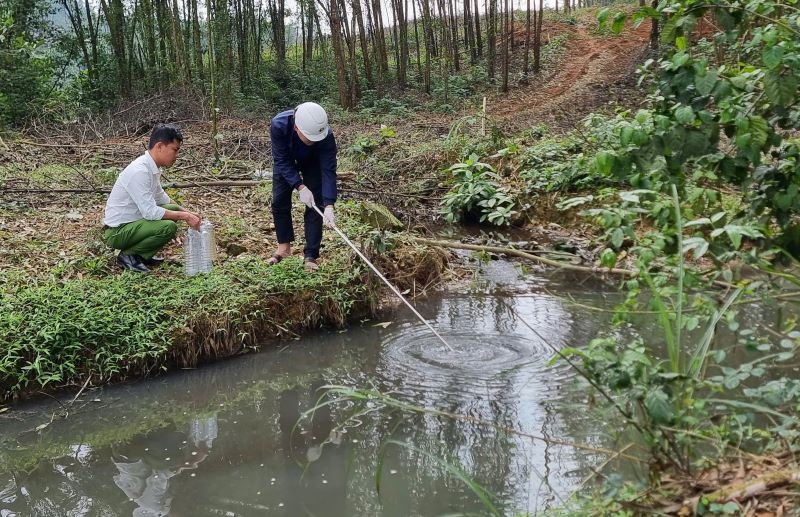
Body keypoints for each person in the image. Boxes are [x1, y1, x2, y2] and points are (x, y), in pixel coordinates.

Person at [103, 125, 201, 273]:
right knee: (168, 227)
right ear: (160, 146)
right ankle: (129, 256)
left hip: (133, 223)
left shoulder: (151, 167)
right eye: (175, 150)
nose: (177, 155)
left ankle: (142, 256)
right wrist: (185, 216)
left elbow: (162, 198)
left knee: (173, 210)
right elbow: (150, 212)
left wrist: (188, 213)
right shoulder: (140, 171)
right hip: (118, 231)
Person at [268, 102, 337, 272]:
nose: (313, 141)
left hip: (313, 162)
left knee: (316, 204)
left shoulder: (326, 136)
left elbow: (328, 170)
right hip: (286, 159)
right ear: (297, 128)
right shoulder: (279, 125)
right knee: (279, 201)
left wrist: (329, 205)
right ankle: (283, 248)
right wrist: (299, 186)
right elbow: (281, 160)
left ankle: (311, 254)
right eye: (310, 138)